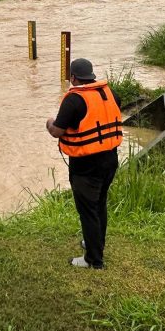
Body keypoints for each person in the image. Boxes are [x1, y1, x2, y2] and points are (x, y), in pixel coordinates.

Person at [45, 58, 123, 269]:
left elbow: (57, 131)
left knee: (88, 210)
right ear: (91, 76)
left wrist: (49, 122)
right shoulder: (110, 93)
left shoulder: (74, 100)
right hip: (110, 160)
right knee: (99, 205)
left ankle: (93, 260)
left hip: (86, 166)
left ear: (73, 78)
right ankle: (95, 243)